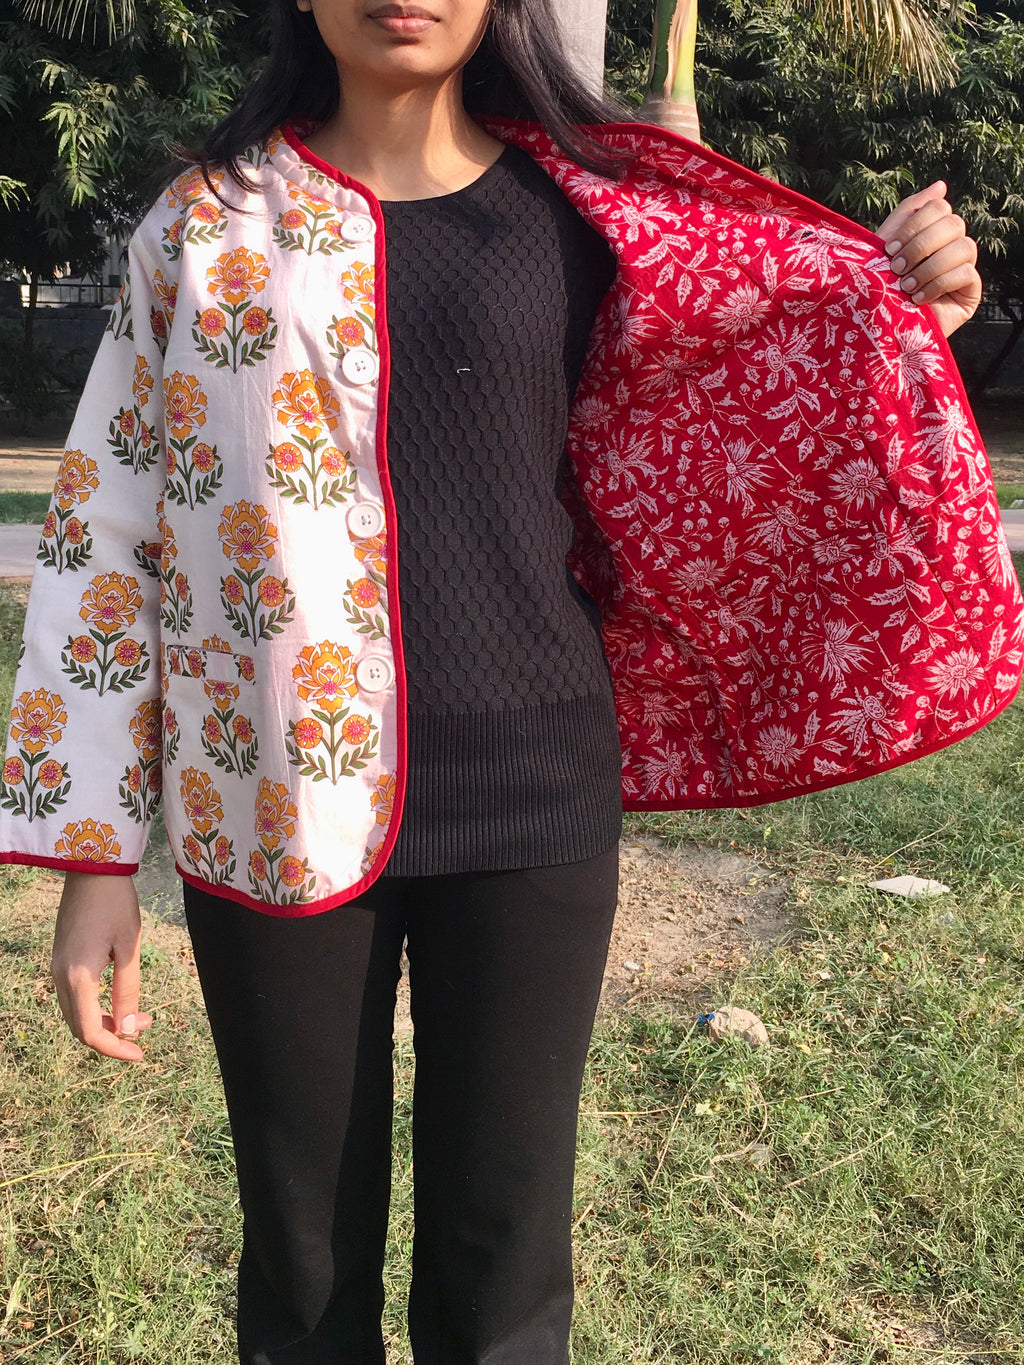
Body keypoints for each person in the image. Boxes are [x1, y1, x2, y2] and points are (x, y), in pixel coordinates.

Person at [2, 2, 1021, 1362]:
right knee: (303, 1268)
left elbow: (750, 387)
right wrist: (94, 859)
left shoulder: (589, 213)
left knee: (508, 1258)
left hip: (538, 786)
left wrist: (909, 303)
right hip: (274, 792)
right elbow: (108, 529)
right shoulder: (202, 227)